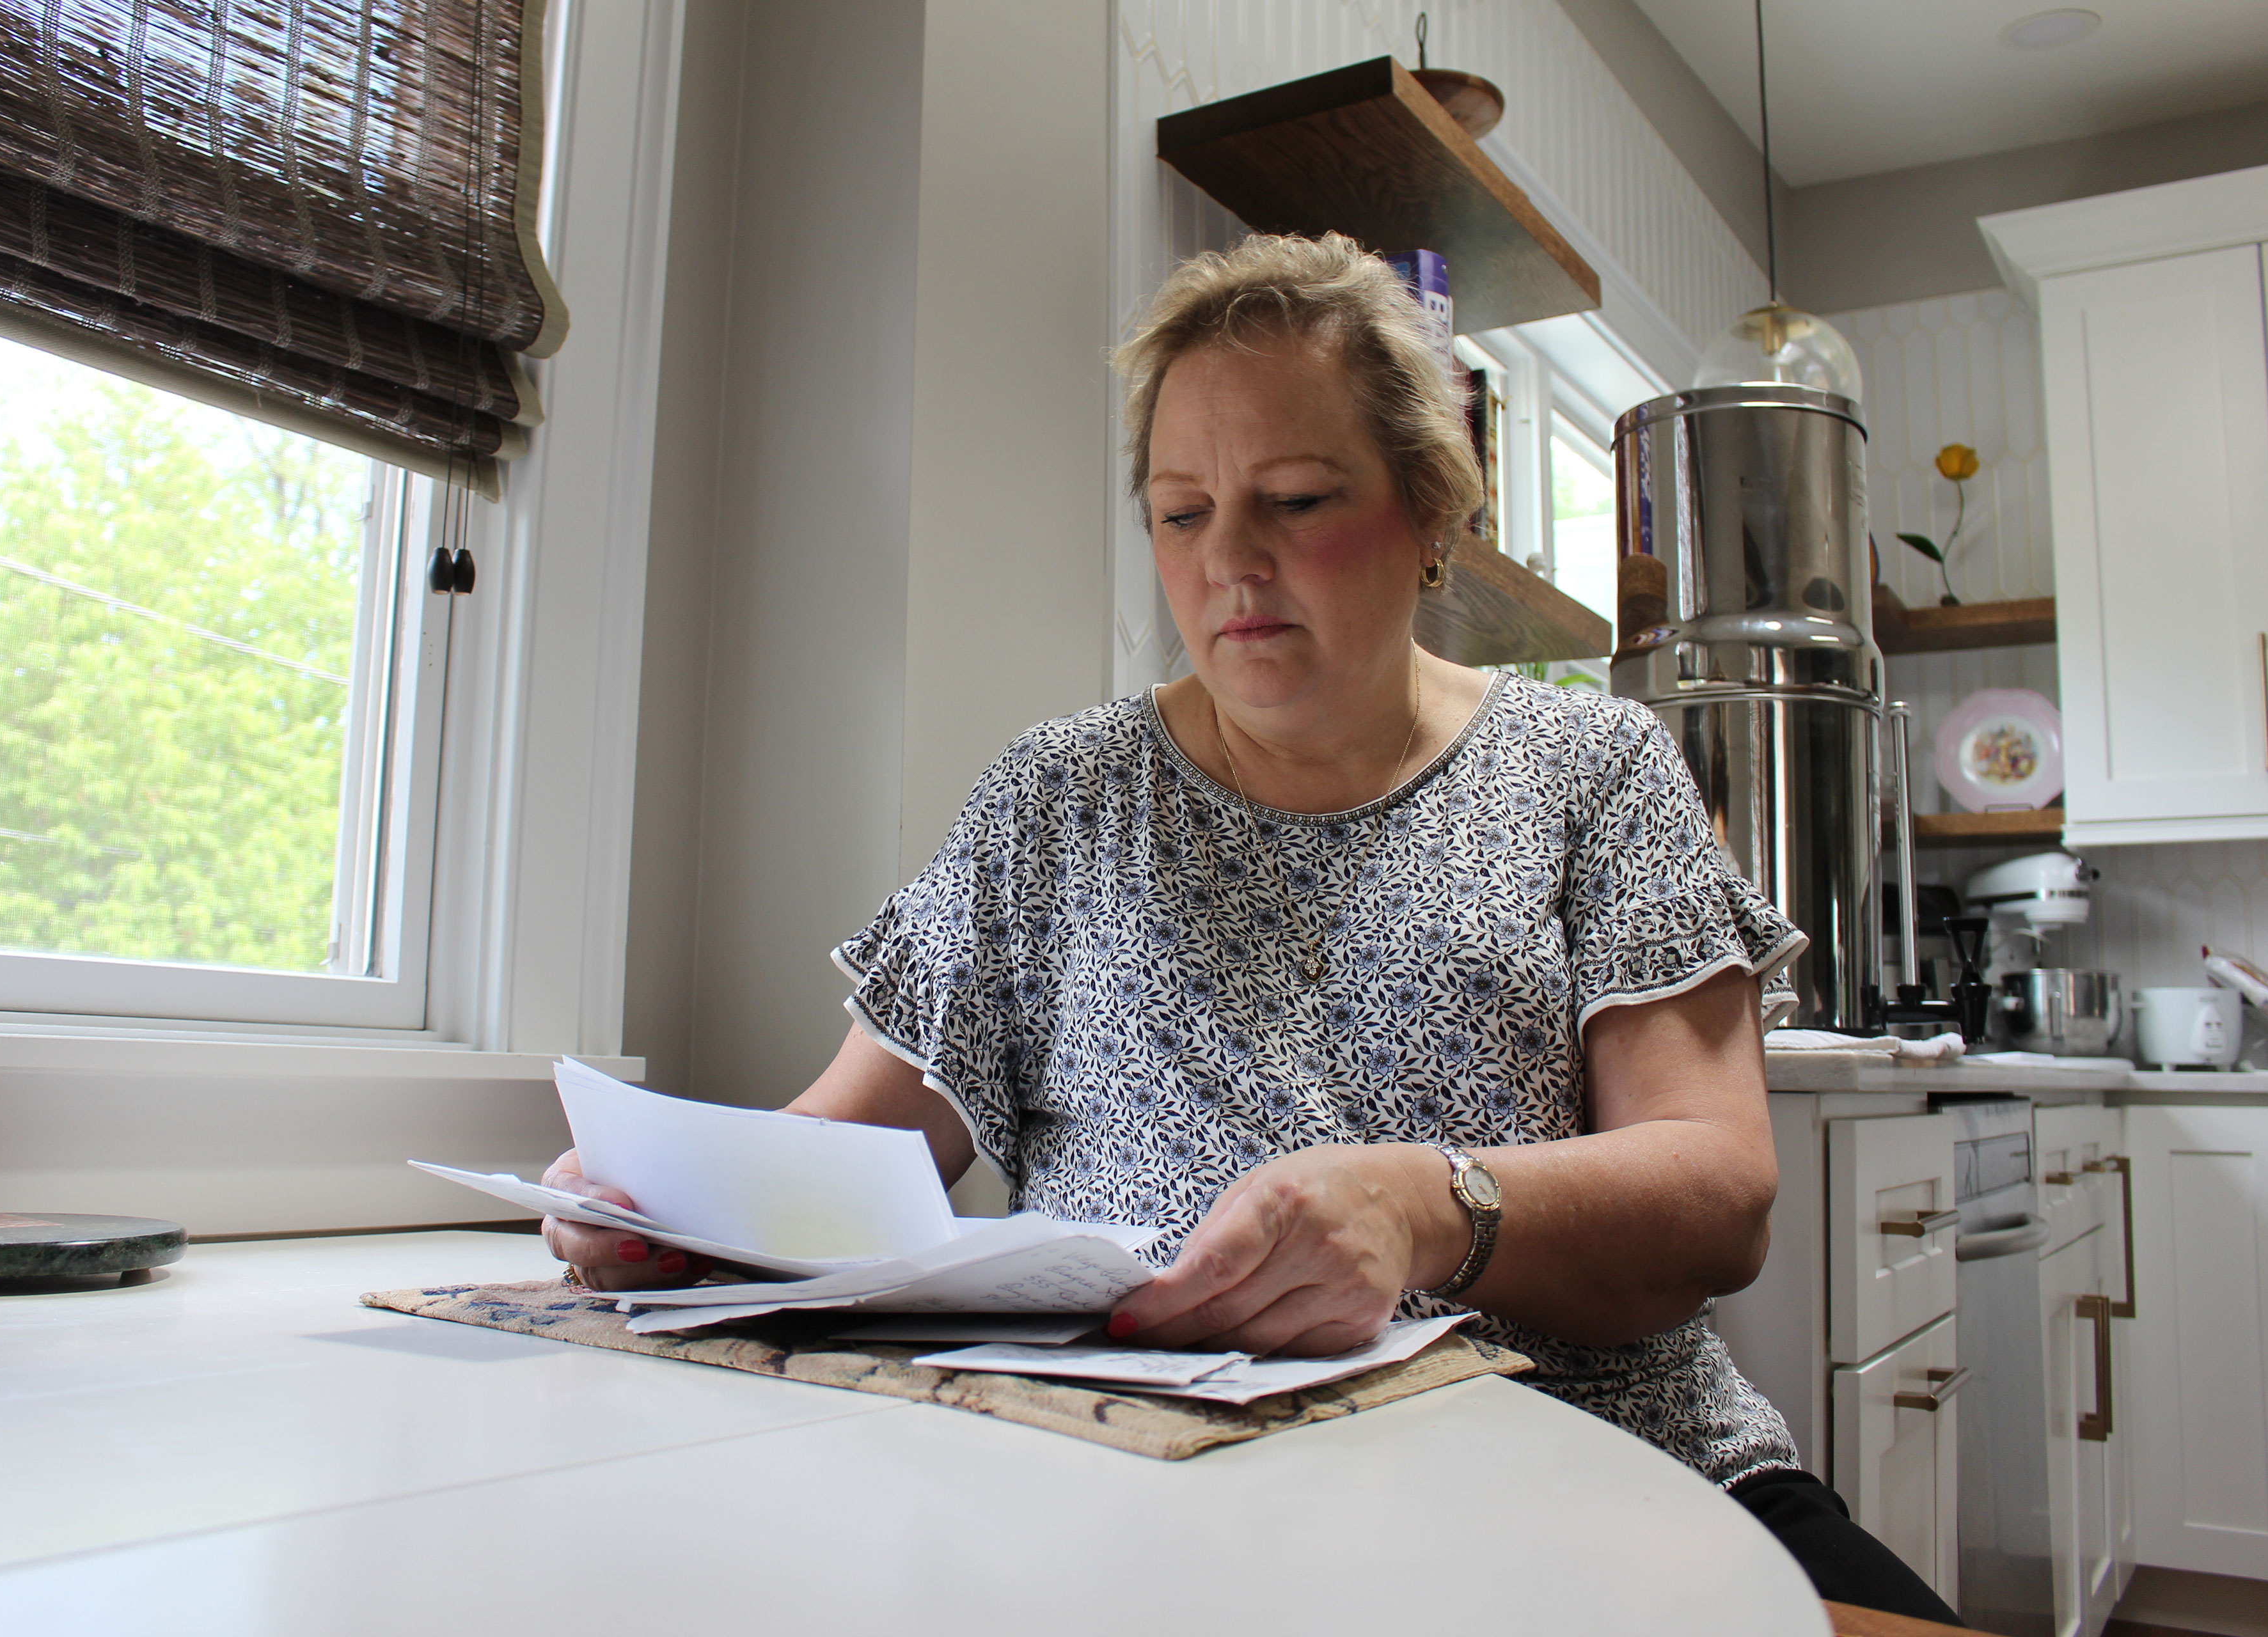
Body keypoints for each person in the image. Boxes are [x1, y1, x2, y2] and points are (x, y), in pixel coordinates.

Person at [544, 231, 1963, 1627]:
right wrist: (672, 1207)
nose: (1228, 560)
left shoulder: (1596, 770)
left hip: (1618, 1481)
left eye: (1293, 499)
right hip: (1141, 1503)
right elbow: (852, 1146)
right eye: (1181, 510)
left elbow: (1719, 1192)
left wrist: (1428, 1207)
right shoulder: (1057, 799)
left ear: (1429, 515)